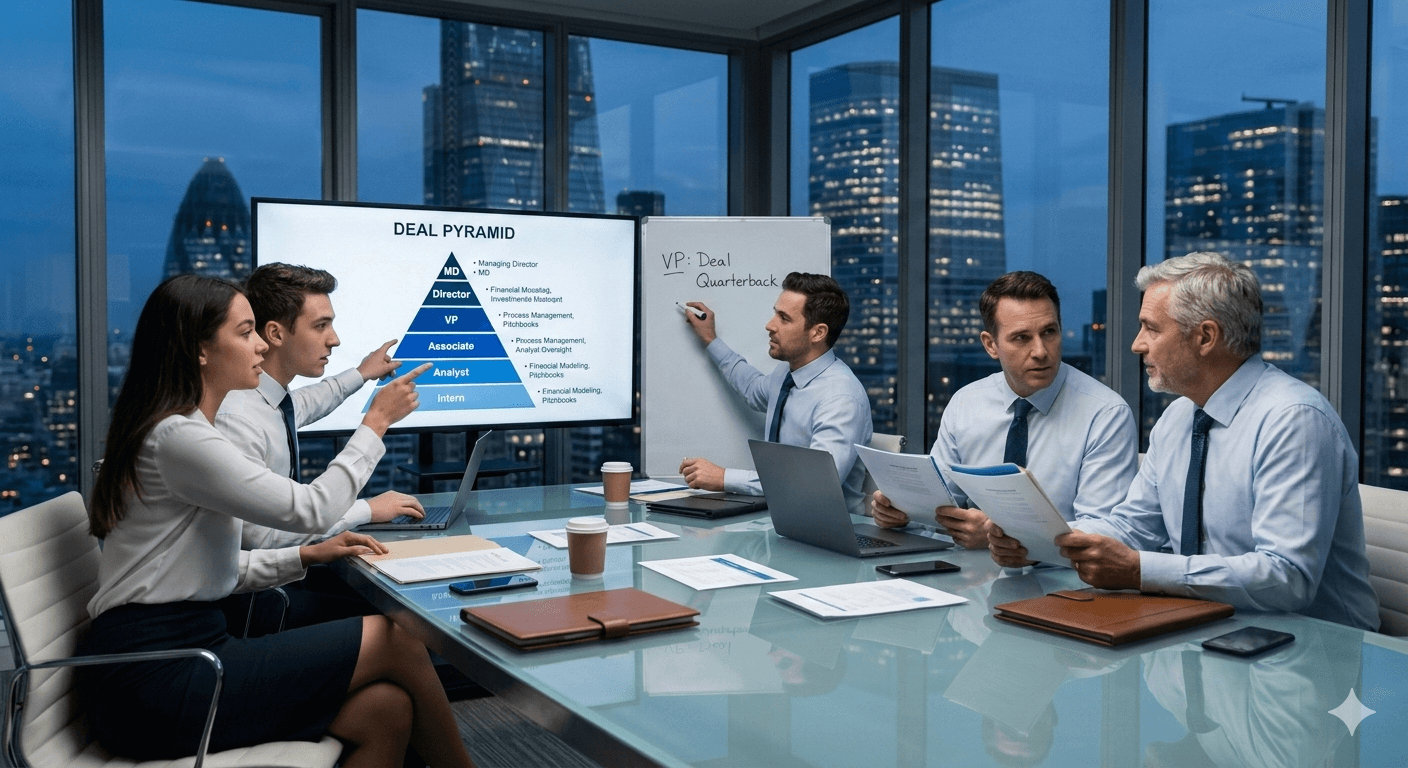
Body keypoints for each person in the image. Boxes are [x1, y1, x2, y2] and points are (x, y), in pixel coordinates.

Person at [79, 275, 476, 767]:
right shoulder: (181, 439)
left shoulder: (184, 429)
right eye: (245, 333)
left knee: (384, 711)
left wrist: (303, 556)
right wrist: (375, 423)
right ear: (200, 351)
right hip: (155, 674)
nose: (261, 347)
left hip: (182, 648)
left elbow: (207, 570)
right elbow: (311, 509)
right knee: (396, 640)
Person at [990, 252, 1380, 631]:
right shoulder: (1179, 417)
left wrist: (1141, 570)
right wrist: (1037, 543)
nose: (1137, 344)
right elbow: (1134, 528)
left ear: (1205, 337)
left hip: (1317, 652)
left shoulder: (1294, 420)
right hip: (1210, 630)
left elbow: (1287, 577)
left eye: (1151, 328)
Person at [216, 263, 422, 632]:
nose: (334, 339)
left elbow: (312, 400)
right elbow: (264, 540)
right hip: (256, 603)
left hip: (275, 585)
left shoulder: (272, 402)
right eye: (320, 326)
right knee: (400, 618)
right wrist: (366, 508)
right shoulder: (239, 417)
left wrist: (361, 373)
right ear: (276, 334)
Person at [871, 271, 1137, 548]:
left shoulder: (1105, 413)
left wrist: (1001, 533)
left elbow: (1103, 529)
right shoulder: (966, 403)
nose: (1041, 351)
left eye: (1049, 332)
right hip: (969, 573)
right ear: (990, 345)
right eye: (1021, 338)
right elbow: (938, 503)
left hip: (1060, 576)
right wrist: (901, 513)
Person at [678, 272, 873, 514]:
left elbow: (815, 484)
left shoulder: (840, 399)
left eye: (784, 318)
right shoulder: (786, 375)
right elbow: (751, 387)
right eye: (775, 314)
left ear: (818, 333)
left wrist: (725, 478)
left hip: (828, 532)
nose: (770, 325)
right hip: (778, 520)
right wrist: (710, 339)